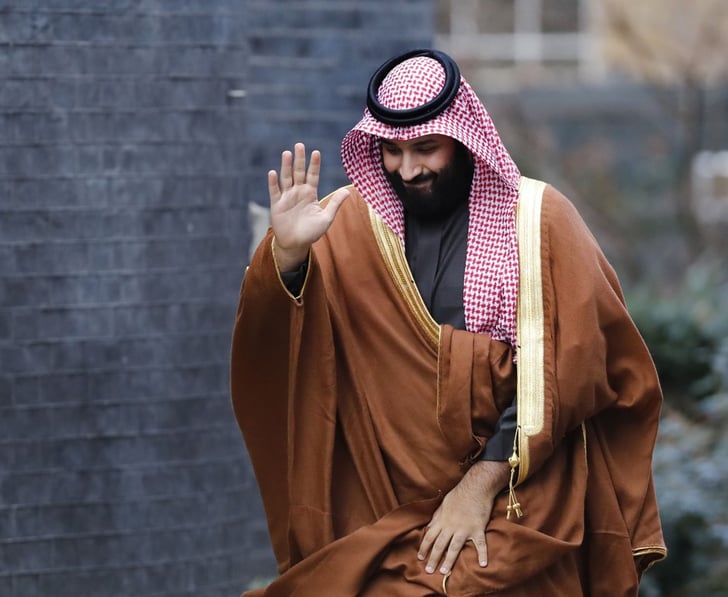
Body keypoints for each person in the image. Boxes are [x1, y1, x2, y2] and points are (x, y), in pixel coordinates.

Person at [231, 48, 666, 596]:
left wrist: (480, 483)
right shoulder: (342, 225)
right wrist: (288, 259)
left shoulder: (539, 220)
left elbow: (572, 365)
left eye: (425, 149)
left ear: (463, 140)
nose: (407, 170)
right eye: (390, 150)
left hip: (518, 497)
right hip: (380, 504)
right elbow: (281, 348)